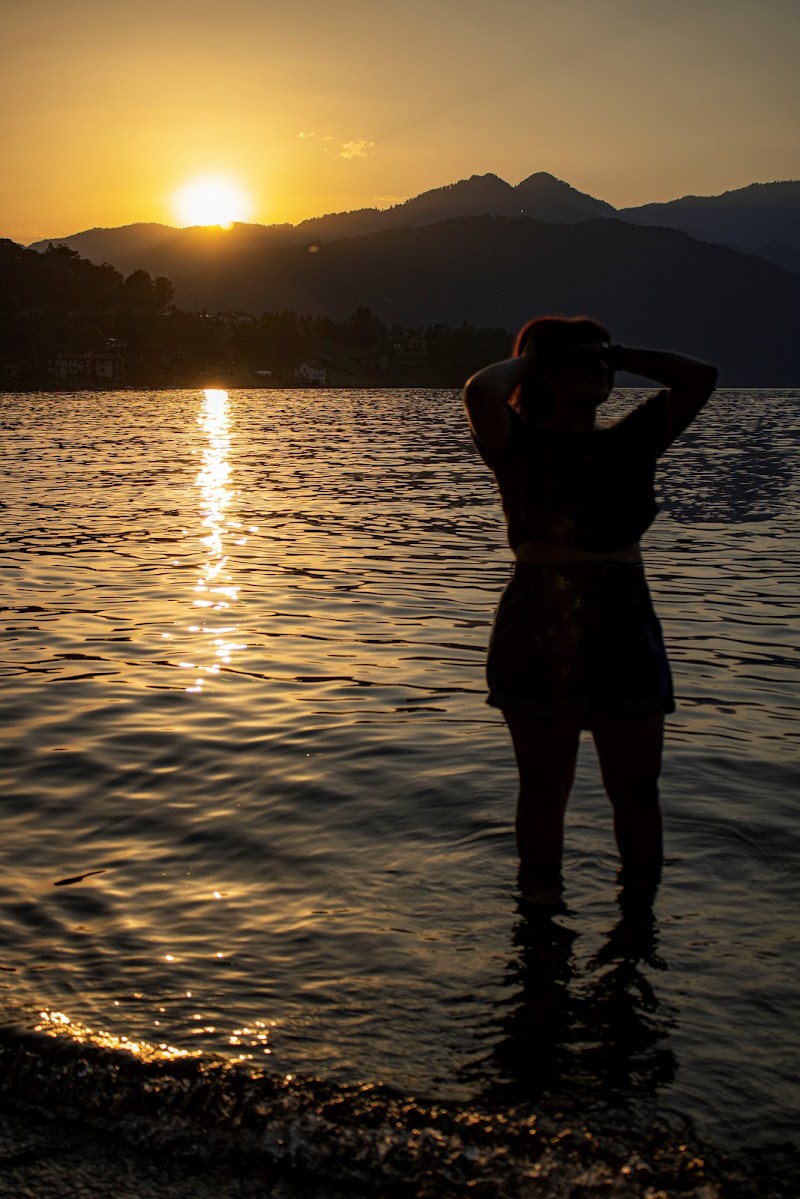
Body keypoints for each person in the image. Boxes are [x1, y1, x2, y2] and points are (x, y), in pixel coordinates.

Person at [464, 316, 717, 906]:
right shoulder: (515, 444)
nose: (601, 368)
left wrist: (615, 352)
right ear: (547, 370)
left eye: (606, 359)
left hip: (624, 616)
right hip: (540, 619)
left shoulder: (630, 440)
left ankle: (639, 924)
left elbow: (700, 377)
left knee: (637, 790)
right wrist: (540, 358)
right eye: (586, 360)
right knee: (545, 790)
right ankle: (540, 918)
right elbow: (480, 390)